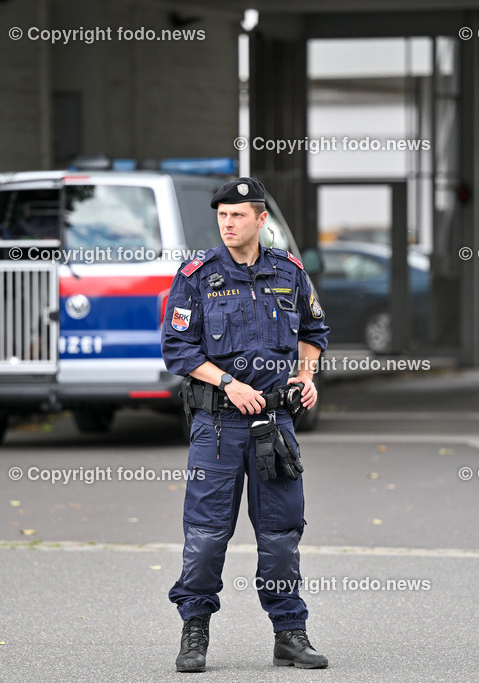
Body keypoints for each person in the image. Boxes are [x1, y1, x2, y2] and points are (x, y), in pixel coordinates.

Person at [160, 177, 329, 672]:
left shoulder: (289, 271)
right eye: (222, 216)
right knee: (208, 535)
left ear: (260, 220)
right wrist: (229, 383)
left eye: (238, 215)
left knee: (280, 535)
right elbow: (179, 349)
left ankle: (289, 634)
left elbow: (314, 329)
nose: (228, 223)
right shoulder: (197, 275)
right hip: (217, 426)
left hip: (276, 424)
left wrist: (305, 374)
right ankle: (194, 632)